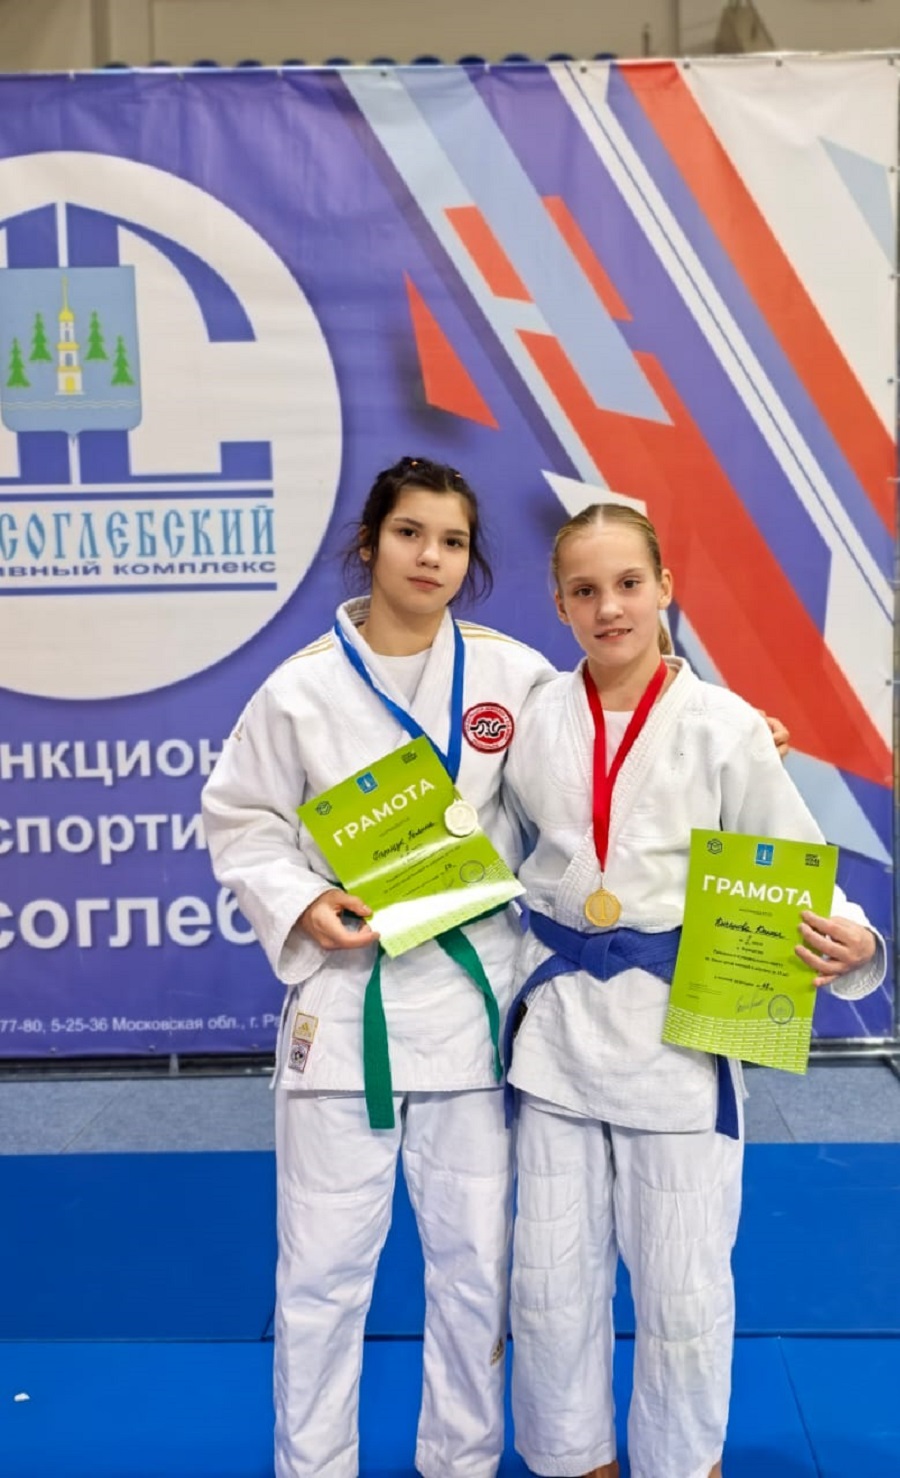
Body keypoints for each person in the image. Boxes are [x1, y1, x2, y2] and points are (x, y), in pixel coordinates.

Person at [502, 502, 885, 1478]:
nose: (610, 607)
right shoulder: (535, 716)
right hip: (556, 1032)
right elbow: (488, 847)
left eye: (629, 583)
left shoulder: (723, 724)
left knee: (681, 1284)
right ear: (559, 603)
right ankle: (573, 1458)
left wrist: (851, 934)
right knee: (548, 1278)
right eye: (586, 589)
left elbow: (786, 850)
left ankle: (682, 1463)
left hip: (679, 1030)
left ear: (666, 589)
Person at [201, 456, 556, 1478]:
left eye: (451, 541)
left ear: (469, 560)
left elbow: (597, 752)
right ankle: (313, 1466)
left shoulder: (513, 676)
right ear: (369, 543)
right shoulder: (301, 688)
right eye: (409, 534)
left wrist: (722, 724)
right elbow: (241, 818)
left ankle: (462, 1460)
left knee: (477, 1270)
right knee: (320, 1273)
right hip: (346, 1002)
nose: (429, 556)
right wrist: (304, 902)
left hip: (472, 1005)